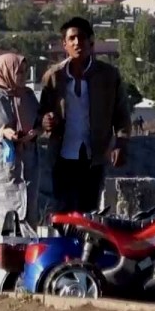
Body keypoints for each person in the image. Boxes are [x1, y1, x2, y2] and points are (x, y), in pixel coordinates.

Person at [38, 17, 132, 215]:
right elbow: (41, 114)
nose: (77, 43)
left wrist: (121, 143)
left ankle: (85, 247)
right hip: (62, 156)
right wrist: (46, 121)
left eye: (82, 38)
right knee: (64, 214)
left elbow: (121, 113)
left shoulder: (108, 76)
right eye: (71, 39)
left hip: (94, 156)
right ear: (65, 44)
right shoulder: (53, 77)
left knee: (89, 213)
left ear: (91, 42)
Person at [0, 52, 41, 230]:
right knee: (9, 218)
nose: (23, 77)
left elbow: (39, 122)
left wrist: (34, 132)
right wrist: (3, 133)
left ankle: (28, 255)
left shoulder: (28, 96)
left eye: (25, 72)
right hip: (4, 165)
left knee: (29, 212)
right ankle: (9, 254)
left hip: (29, 160)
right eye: (19, 72)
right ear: (6, 72)